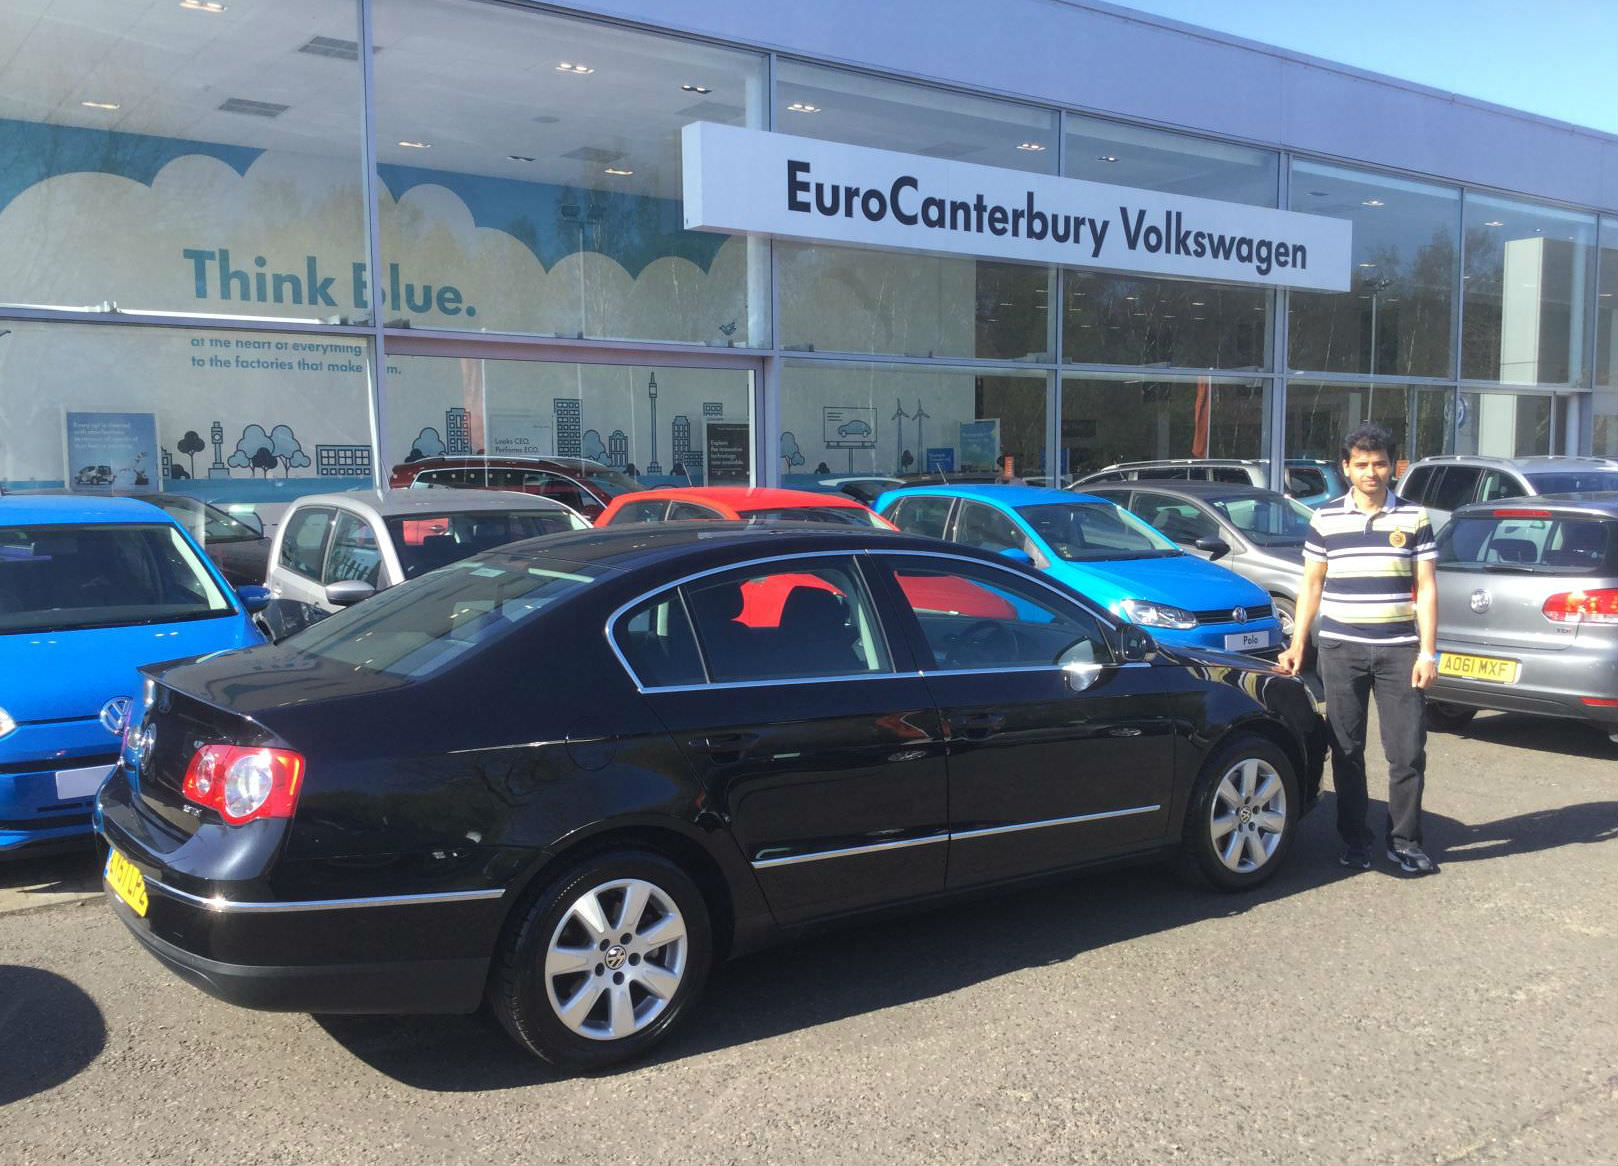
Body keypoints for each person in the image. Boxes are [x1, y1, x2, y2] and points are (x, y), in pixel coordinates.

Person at [1276, 423, 1440, 875]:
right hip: (1341, 649)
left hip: (1400, 652)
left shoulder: (1414, 517)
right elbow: (1312, 584)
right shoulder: (1325, 517)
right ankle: (1354, 839)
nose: (1372, 472)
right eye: (1362, 464)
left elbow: (1425, 589)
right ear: (1346, 468)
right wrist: (1297, 644)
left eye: (1381, 463)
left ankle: (1404, 841)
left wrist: (1428, 653)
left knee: (1407, 752)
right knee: (1346, 750)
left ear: (1393, 466)